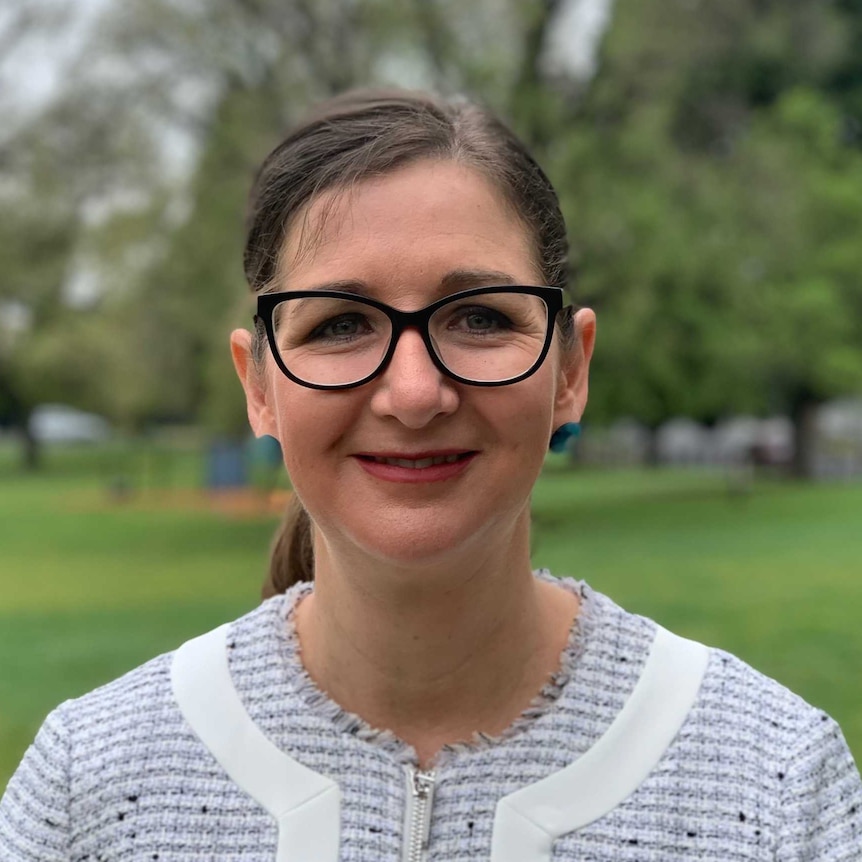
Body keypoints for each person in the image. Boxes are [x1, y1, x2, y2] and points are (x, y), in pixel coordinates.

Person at [1, 88, 860, 862]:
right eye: (339, 324)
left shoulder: (777, 783)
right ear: (259, 387)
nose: (414, 393)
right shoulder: (92, 786)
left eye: (479, 316)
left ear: (571, 370)